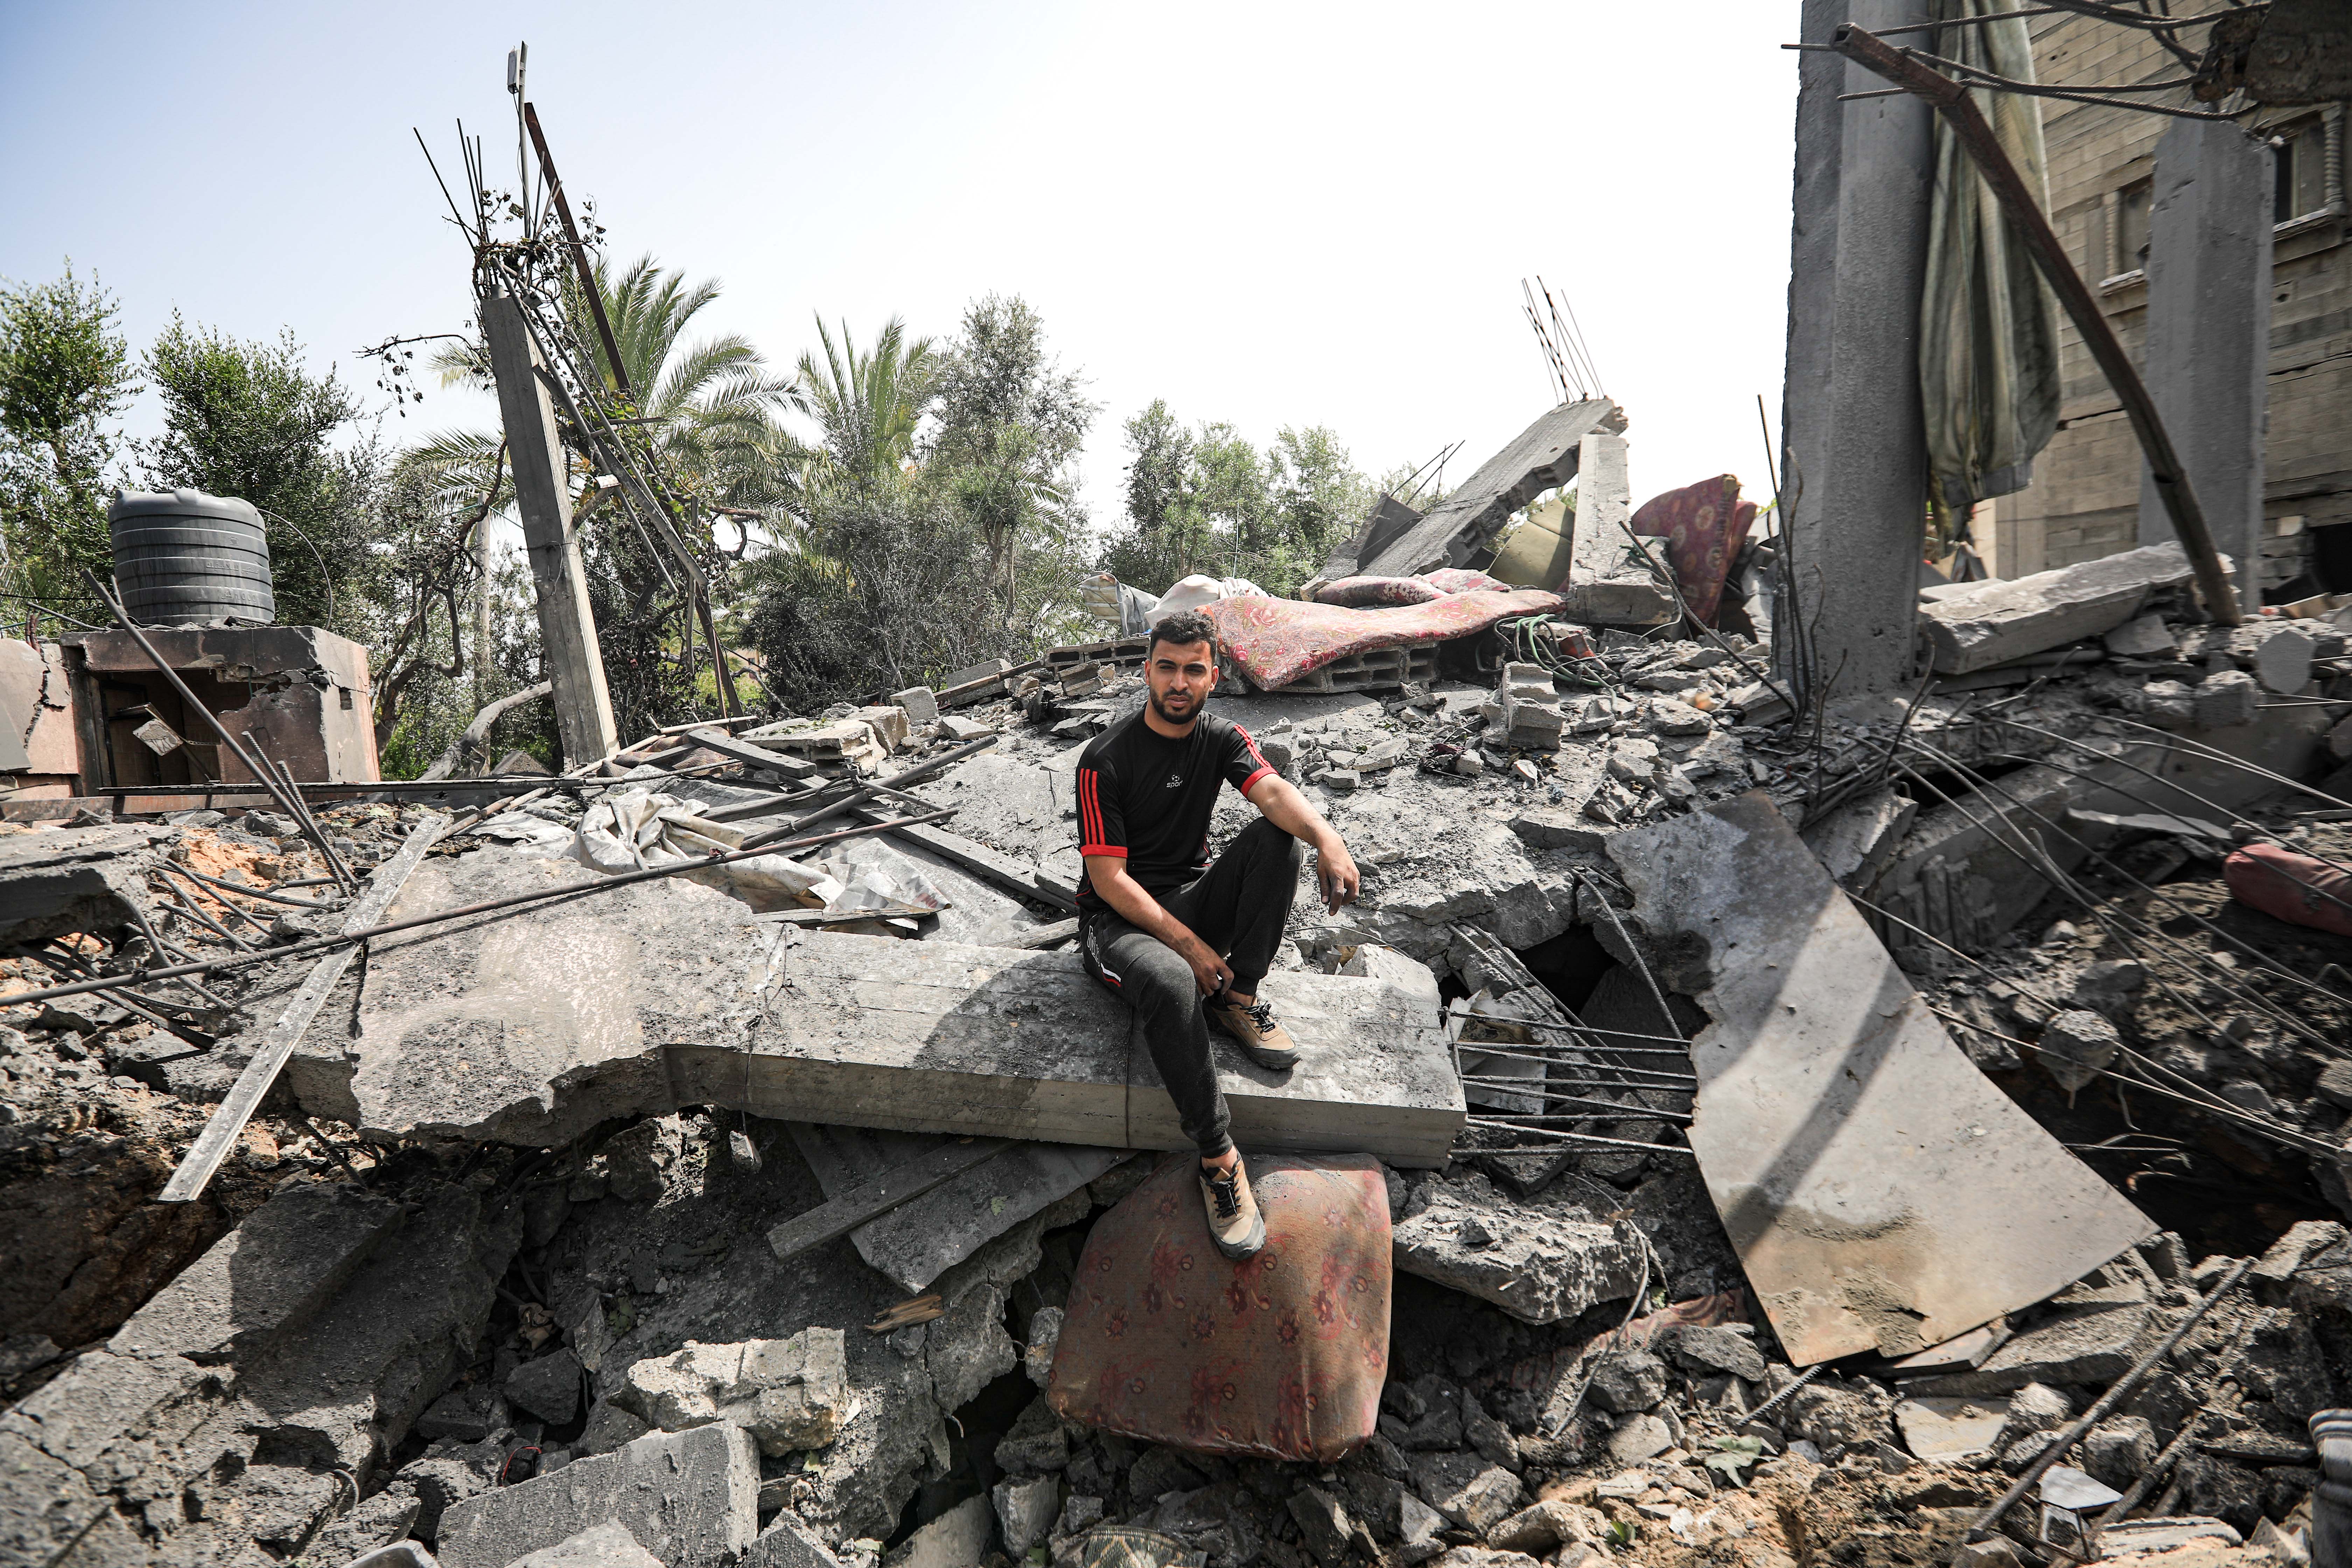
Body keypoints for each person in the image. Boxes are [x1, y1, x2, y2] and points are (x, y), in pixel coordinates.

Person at [1073, 608, 1362, 1261]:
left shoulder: (1221, 737)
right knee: (1175, 979)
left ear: (1213, 677)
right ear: (1147, 672)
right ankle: (1217, 1155)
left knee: (1280, 841)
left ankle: (1238, 998)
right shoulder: (1105, 761)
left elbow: (1272, 792)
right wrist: (1191, 946)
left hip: (1188, 897)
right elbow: (1111, 880)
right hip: (1115, 923)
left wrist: (1331, 838)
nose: (1180, 682)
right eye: (1167, 668)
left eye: (1194, 670)